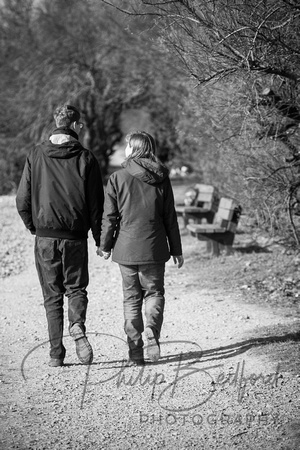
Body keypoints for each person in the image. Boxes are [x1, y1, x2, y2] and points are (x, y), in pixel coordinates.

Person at [16, 104, 104, 367]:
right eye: (81, 125)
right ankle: (76, 324)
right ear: (75, 126)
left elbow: (22, 199)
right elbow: (96, 206)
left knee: (51, 296)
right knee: (76, 288)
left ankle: (56, 354)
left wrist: (34, 226)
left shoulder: (35, 154)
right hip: (75, 237)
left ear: (56, 123)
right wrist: (101, 240)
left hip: (45, 237)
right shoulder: (86, 158)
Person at [98, 131, 184, 366]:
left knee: (131, 299)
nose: (125, 150)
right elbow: (170, 217)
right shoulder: (162, 178)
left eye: (127, 146)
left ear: (134, 149)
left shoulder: (117, 178)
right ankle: (152, 332)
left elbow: (110, 217)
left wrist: (105, 246)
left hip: (126, 249)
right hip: (154, 248)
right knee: (154, 293)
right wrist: (176, 249)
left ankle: (135, 352)